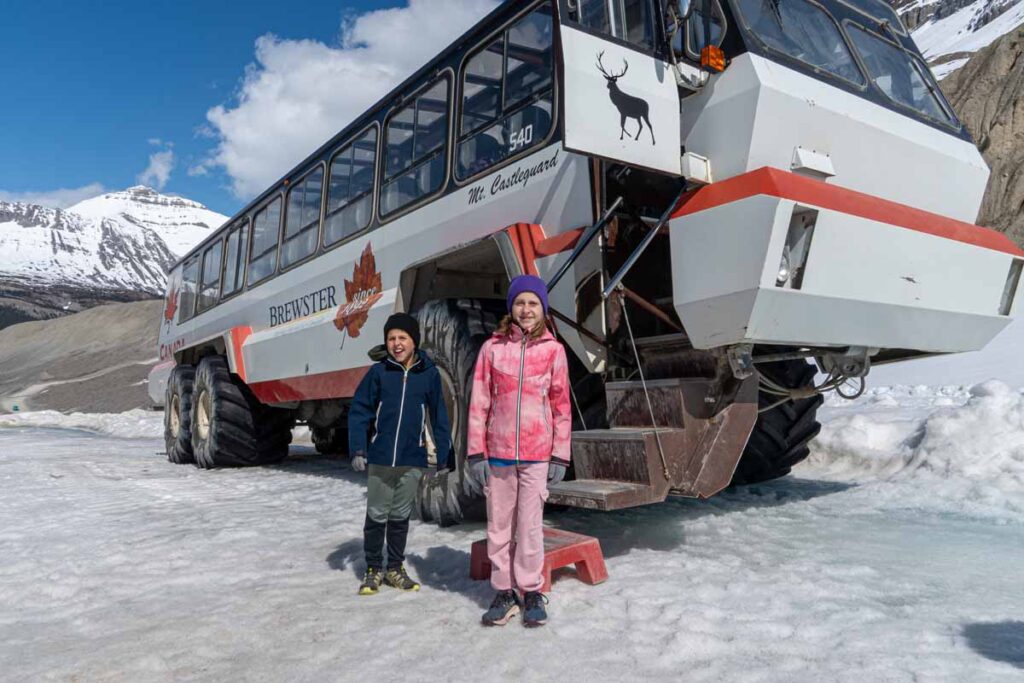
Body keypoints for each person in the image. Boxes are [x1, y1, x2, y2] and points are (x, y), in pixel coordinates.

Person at [465, 274, 571, 627]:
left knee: (529, 527)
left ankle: (531, 590)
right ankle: (504, 591)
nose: (526, 310)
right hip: (497, 453)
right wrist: (476, 452)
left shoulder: (554, 351)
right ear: (511, 307)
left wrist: (560, 454)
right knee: (499, 526)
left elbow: (561, 407)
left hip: (537, 454)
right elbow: (479, 402)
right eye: (520, 303)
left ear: (543, 309)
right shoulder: (492, 349)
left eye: (533, 303)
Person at [348, 313, 452, 596]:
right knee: (377, 514)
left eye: (402, 338)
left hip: (412, 458)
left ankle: (394, 567)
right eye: (391, 338)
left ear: (413, 341)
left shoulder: (428, 374)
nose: (396, 343)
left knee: (399, 515)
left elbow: (439, 416)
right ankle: (373, 568)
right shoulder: (379, 373)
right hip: (381, 457)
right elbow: (359, 411)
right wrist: (359, 447)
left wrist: (445, 452)